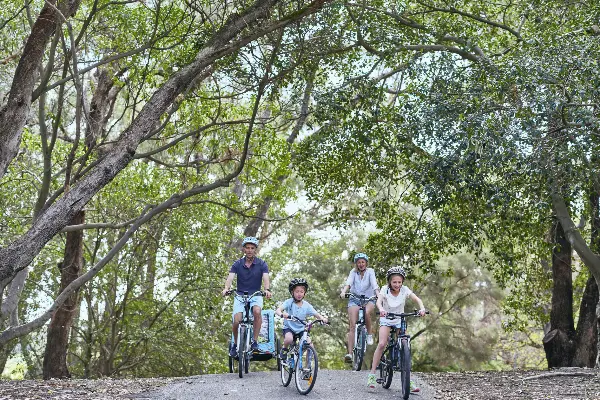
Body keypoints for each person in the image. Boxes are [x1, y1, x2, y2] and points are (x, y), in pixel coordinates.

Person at [367, 266, 426, 391]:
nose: (397, 284)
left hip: (400, 319)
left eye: (399, 282)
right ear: (390, 281)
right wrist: (381, 309)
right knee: (382, 344)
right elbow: (379, 301)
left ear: (402, 282)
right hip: (386, 319)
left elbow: (417, 299)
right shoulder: (385, 290)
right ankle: (372, 374)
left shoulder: (404, 290)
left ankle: (407, 381)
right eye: (394, 282)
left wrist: (422, 308)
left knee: (405, 345)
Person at [222, 236, 272, 357]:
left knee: (257, 311)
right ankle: (235, 344)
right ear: (244, 249)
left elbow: (265, 278)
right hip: (240, 295)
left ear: (255, 250)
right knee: (237, 320)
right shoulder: (237, 264)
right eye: (247, 248)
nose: (249, 250)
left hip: (255, 295)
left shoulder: (262, 264)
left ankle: (254, 341)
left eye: (252, 248)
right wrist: (226, 289)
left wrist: (267, 290)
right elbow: (230, 278)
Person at [339, 252, 380, 363]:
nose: (361, 264)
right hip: (355, 298)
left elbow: (374, 284)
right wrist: (343, 292)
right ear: (356, 264)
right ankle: (350, 354)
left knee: (366, 312)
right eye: (359, 262)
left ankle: (369, 334)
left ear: (366, 263)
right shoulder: (353, 272)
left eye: (363, 262)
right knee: (352, 325)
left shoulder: (370, 271)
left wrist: (378, 294)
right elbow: (348, 283)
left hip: (369, 298)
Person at [275, 278, 328, 361]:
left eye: (301, 292)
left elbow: (317, 314)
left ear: (304, 293)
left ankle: (307, 368)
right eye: (297, 291)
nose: (299, 294)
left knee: (310, 345)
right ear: (292, 292)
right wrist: (282, 314)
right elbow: (278, 310)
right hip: (289, 328)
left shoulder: (307, 306)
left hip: (301, 329)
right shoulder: (289, 302)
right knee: (289, 339)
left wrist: (323, 318)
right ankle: (284, 349)